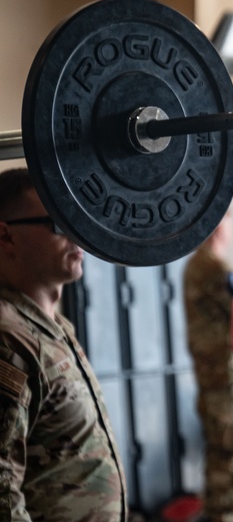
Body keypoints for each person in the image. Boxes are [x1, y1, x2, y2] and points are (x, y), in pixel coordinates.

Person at [0, 167, 127, 520]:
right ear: (6, 237)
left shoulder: (53, 326)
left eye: (75, 218)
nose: (76, 234)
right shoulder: (9, 337)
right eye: (56, 223)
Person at [183, 214, 233, 522]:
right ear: (218, 227)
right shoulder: (215, 269)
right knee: (230, 460)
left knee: (219, 457)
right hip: (227, 380)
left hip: (214, 379)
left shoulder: (195, 266)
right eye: (227, 221)